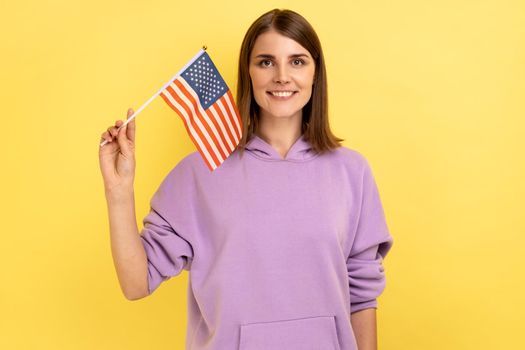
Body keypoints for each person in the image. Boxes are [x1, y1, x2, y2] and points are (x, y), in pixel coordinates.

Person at [99, 8, 393, 350]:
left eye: (297, 61)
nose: (282, 76)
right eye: (265, 62)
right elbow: (136, 284)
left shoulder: (351, 172)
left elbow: (362, 296)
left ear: (315, 72)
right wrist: (118, 192)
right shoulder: (200, 172)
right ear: (248, 73)